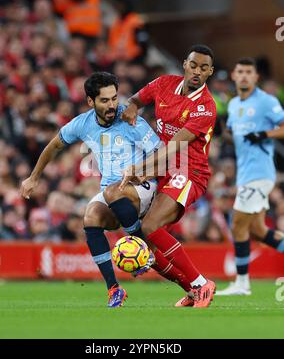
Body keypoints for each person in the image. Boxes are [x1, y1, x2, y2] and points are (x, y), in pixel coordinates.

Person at [20, 72, 160, 307]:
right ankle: (114, 289)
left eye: (114, 98)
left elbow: (162, 155)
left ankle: (142, 245)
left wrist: (143, 171)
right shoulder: (82, 124)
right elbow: (54, 145)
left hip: (142, 186)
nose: (112, 105)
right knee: (90, 216)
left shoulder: (131, 120)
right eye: (105, 100)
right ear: (90, 102)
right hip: (113, 191)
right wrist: (33, 178)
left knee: (112, 192)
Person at [119, 44, 217, 307]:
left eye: (204, 68)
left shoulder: (206, 107)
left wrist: (140, 169)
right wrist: (131, 106)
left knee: (150, 227)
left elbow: (175, 145)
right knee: (144, 243)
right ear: (185, 64)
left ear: (210, 72)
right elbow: (137, 99)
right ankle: (192, 289)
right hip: (163, 170)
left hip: (189, 172)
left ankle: (201, 283)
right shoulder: (163, 83)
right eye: (193, 65)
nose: (197, 71)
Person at [216, 57, 284, 296]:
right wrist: (218, 131)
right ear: (234, 76)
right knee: (257, 230)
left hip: (260, 173)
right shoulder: (234, 105)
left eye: (249, 72)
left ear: (256, 77)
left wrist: (265, 133)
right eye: (240, 71)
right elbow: (233, 136)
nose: (244, 76)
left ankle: (242, 283)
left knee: (237, 224)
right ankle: (242, 282)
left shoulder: (267, 102)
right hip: (245, 175)